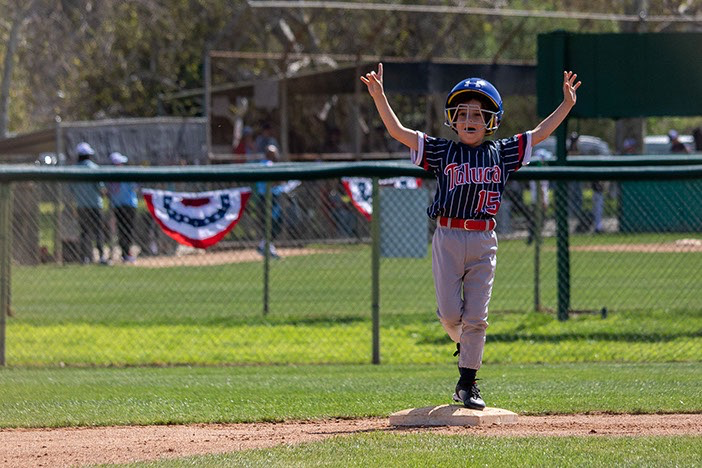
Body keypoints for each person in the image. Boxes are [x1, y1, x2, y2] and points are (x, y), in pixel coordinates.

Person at [360, 63, 580, 410]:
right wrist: (379, 96)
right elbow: (399, 131)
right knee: (450, 316)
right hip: (448, 236)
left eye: (477, 113)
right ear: (452, 118)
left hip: (483, 241)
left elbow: (539, 132)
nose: (468, 119)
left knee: (476, 317)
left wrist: (566, 105)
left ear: (491, 119)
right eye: (461, 113)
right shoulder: (442, 150)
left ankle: (467, 383)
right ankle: (467, 344)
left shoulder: (502, 152)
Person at [69, 142, 110, 265]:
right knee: (98, 231)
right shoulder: (94, 168)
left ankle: (84, 258)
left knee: (84, 232)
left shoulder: (73, 170)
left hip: (81, 206)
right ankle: (102, 256)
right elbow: (101, 188)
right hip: (95, 205)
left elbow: (71, 190)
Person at [107, 152, 138, 263]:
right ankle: (126, 253)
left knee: (125, 230)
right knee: (125, 230)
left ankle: (126, 253)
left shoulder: (111, 175)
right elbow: (135, 187)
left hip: (121, 205)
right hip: (126, 205)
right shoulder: (123, 173)